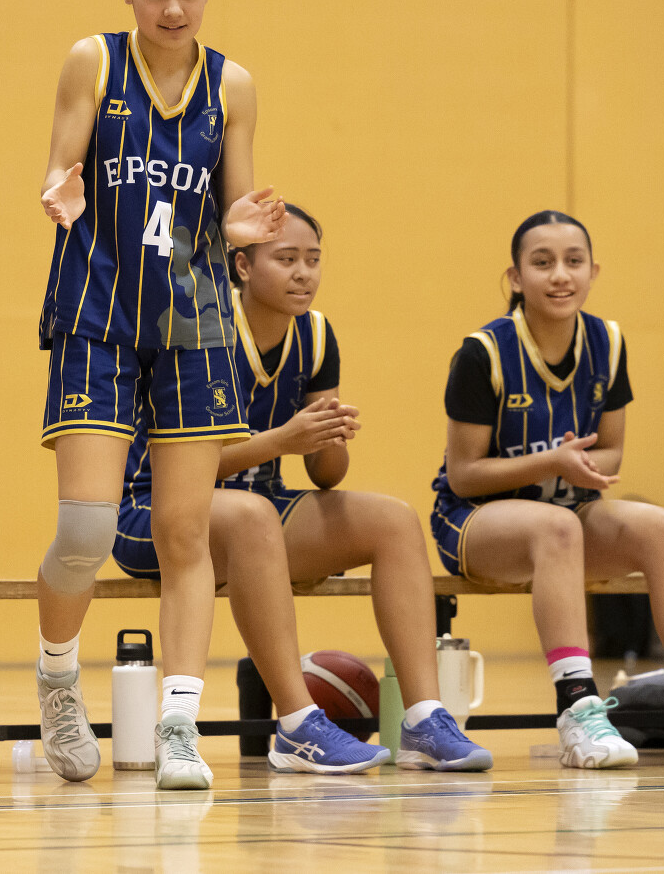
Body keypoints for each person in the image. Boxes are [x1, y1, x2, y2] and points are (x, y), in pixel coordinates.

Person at [35, 0, 285, 789]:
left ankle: (179, 723)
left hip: (193, 321)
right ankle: (57, 679)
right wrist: (60, 193)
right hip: (97, 312)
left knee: (185, 531)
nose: (173, 8)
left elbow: (235, 205)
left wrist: (241, 226)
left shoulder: (233, 85)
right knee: (86, 530)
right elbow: (60, 168)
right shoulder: (94, 63)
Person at [111, 204, 492, 772]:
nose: (303, 273)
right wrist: (282, 439)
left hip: (257, 514)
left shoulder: (314, 334)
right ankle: (297, 724)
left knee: (393, 520)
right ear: (242, 266)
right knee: (250, 515)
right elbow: (179, 470)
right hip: (153, 512)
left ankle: (424, 719)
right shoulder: (197, 325)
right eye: (286, 258)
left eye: (313, 260)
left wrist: (328, 436)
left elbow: (326, 476)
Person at [430, 211, 664, 769]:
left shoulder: (607, 341)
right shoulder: (482, 352)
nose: (560, 274)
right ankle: (578, 711)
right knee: (557, 526)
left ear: (593, 271)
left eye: (573, 261)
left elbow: (611, 451)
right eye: (543, 262)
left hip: (565, 514)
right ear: (515, 277)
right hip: (475, 521)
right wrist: (551, 462)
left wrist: (581, 466)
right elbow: (464, 474)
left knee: (661, 528)